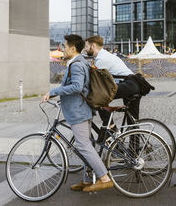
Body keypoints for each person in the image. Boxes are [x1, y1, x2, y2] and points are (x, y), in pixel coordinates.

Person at [42, 34, 113, 192]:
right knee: (85, 145)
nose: (63, 49)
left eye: (65, 46)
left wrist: (53, 91)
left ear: (73, 48)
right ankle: (87, 180)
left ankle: (104, 178)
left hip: (78, 112)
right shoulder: (77, 62)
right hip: (79, 109)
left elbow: (77, 87)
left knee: (83, 146)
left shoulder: (77, 65)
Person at [84, 35, 140, 136]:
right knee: (132, 122)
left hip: (128, 84)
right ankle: (134, 150)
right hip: (133, 84)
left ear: (93, 46)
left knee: (99, 98)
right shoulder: (106, 55)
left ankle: (111, 127)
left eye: (86, 46)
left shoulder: (101, 59)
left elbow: (96, 83)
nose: (85, 49)